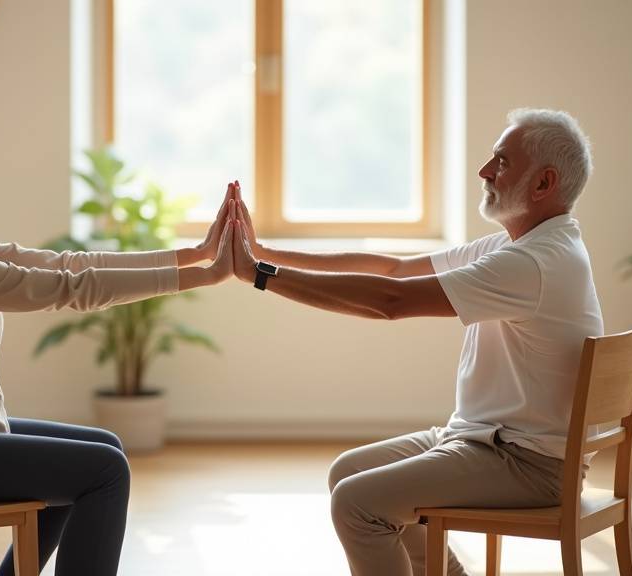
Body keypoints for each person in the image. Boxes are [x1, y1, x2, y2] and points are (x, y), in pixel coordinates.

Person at [0, 105, 236, 576]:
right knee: (103, 471)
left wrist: (194, 254)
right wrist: (206, 275)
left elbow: (63, 264)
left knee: (104, 447)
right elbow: (69, 288)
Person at [227, 108, 603, 576]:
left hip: (525, 462)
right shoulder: (517, 246)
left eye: (502, 162)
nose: (485, 171)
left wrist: (261, 276)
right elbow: (396, 270)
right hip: (485, 438)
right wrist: (262, 254)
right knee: (348, 472)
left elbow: (392, 300)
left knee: (357, 502)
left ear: (544, 183)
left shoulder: (533, 263)